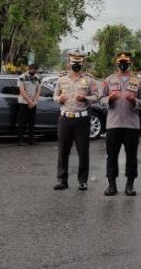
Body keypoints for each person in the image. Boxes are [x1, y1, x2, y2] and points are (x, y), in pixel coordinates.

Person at [100, 53, 141, 197]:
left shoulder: (138, 82)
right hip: (113, 125)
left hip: (131, 125)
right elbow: (100, 99)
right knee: (111, 156)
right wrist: (110, 99)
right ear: (116, 63)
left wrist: (134, 101)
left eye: (125, 62)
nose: (123, 64)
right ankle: (111, 185)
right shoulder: (109, 80)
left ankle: (130, 185)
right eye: (120, 62)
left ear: (130, 63)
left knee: (131, 156)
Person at [53, 51, 99, 191]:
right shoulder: (62, 79)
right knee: (63, 152)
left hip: (82, 120)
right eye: (74, 63)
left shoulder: (89, 80)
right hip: (65, 119)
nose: (76, 65)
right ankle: (62, 180)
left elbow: (96, 96)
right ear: (69, 62)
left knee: (83, 151)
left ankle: (83, 181)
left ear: (82, 63)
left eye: (79, 63)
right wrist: (58, 99)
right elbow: (55, 96)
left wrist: (85, 98)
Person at [16, 64, 41, 145]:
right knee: (22, 122)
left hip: (33, 102)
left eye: (36, 70)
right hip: (23, 102)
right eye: (33, 70)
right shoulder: (22, 77)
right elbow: (22, 91)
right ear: (29, 69)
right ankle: (20, 140)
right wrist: (30, 101)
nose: (35, 71)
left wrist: (34, 101)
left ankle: (31, 139)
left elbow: (39, 90)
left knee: (32, 122)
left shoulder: (37, 77)